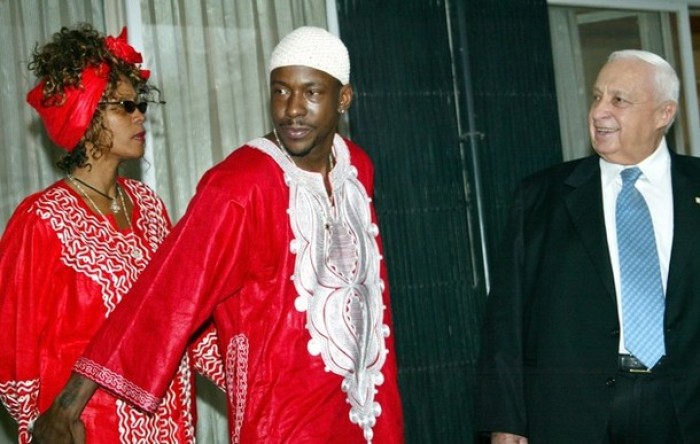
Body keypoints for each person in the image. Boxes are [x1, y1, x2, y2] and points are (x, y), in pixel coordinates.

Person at [31, 26, 405, 444]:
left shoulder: (357, 168)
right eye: (280, 92)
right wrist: (66, 407)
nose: (292, 110)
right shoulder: (238, 184)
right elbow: (168, 292)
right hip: (284, 424)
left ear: (344, 99)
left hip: (370, 413)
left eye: (311, 93)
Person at [0, 24, 223, 444]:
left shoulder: (151, 207)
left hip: (170, 427)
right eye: (124, 106)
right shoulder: (41, 220)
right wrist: (41, 427)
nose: (140, 115)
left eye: (140, 103)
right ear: (85, 115)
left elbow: (185, 318)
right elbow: (12, 350)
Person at [475, 49, 700, 443]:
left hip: (686, 407)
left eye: (619, 100)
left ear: (664, 114)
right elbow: (506, 320)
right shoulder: (542, 198)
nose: (599, 112)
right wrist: (506, 420)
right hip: (575, 412)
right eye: (596, 97)